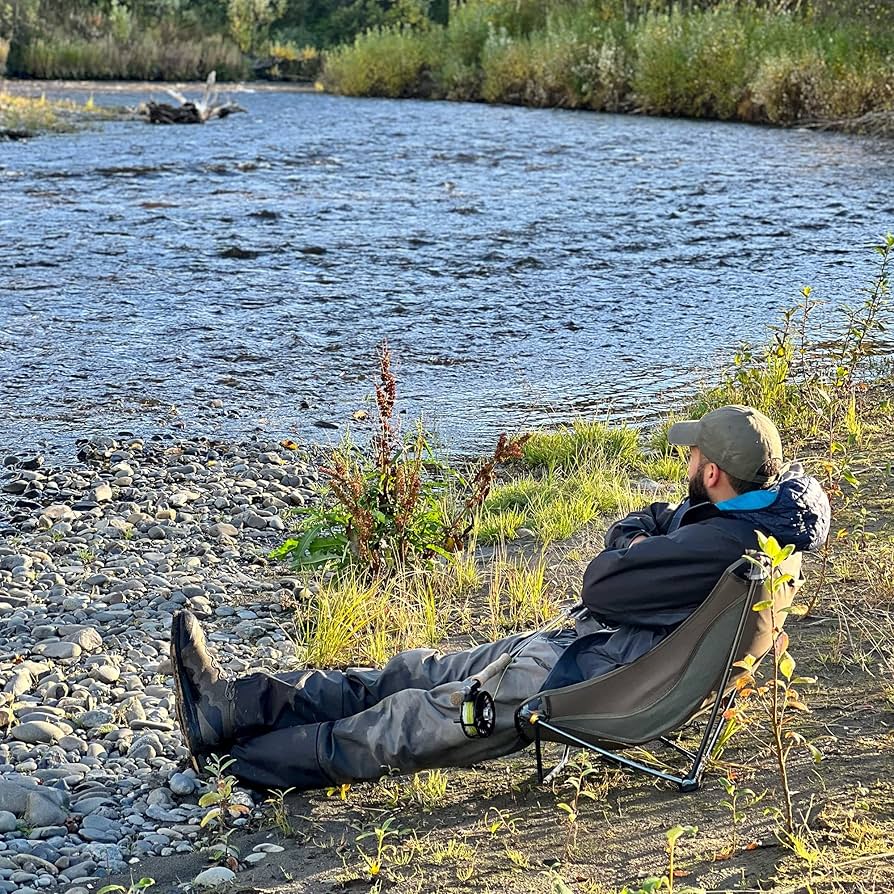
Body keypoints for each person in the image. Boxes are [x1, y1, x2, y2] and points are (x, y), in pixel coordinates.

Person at [170, 405, 830, 790]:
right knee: (411, 673)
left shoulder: (715, 547)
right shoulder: (764, 523)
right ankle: (232, 705)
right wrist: (648, 534)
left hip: (578, 680)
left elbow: (602, 579)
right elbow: (651, 533)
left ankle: (241, 762)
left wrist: (635, 536)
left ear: (712, 473)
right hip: (586, 650)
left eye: (691, 461)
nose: (683, 468)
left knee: (409, 722)